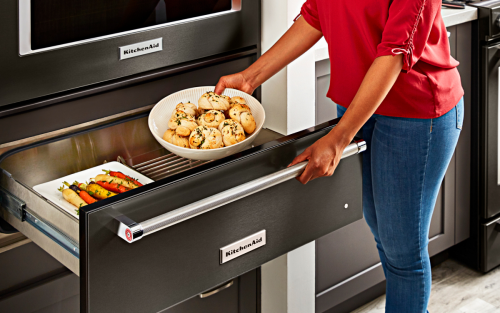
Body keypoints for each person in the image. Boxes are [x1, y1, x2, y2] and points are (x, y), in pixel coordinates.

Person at [214, 0, 463, 312]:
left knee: (403, 253)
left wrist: (337, 139)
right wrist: (250, 78)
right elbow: (316, 14)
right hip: (359, 106)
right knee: (383, 232)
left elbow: (395, 52)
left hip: (414, 113)